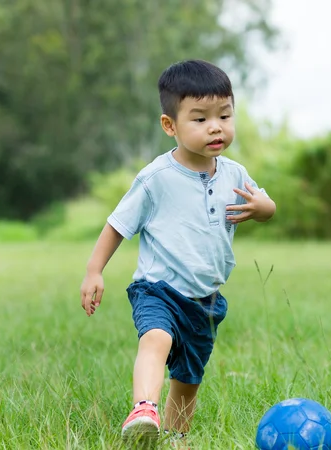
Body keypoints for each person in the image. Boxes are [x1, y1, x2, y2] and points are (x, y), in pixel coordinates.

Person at [79, 59, 277, 446]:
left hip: (205, 299)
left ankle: (173, 437)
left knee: (189, 377)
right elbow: (118, 224)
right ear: (170, 125)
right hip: (158, 289)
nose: (216, 126)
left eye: (224, 115)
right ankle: (144, 408)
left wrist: (263, 209)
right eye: (200, 119)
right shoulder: (157, 178)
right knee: (156, 338)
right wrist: (94, 270)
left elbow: (267, 203)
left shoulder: (235, 175)